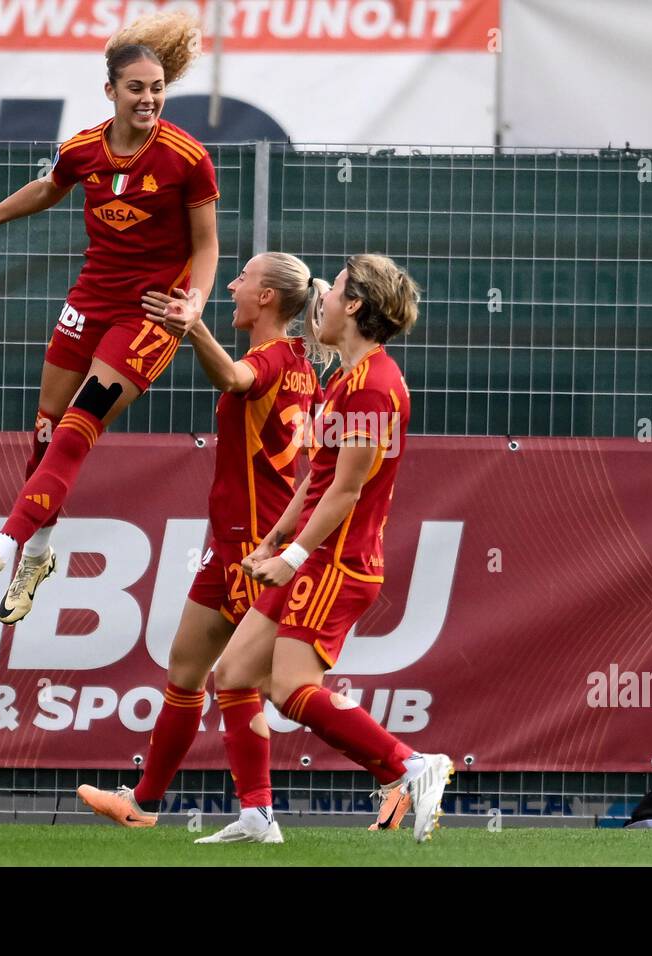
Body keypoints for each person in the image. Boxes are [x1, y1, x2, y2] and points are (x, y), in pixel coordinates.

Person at [0, 12, 220, 623]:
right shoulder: (82, 148)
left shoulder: (185, 158)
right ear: (111, 91)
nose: (149, 98)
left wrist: (195, 301)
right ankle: (39, 551)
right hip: (89, 301)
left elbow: (207, 245)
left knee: (74, 430)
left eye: (157, 88)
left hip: (148, 316)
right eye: (137, 88)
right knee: (44, 431)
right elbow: (49, 187)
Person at [195, 254, 453, 845]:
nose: (324, 297)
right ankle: (258, 817)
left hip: (337, 562)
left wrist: (291, 555)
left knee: (288, 690)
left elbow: (346, 490)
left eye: (334, 289)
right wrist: (276, 539)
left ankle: (412, 766)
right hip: (311, 553)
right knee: (232, 675)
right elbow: (315, 479)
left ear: (356, 306)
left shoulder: (374, 385)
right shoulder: (345, 377)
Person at [74, 253, 329, 827]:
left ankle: (389, 771)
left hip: (252, 545)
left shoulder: (267, 360)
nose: (233, 285)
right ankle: (144, 803)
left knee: (258, 684)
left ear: (267, 298)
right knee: (187, 671)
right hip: (232, 541)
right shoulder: (300, 366)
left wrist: (193, 328)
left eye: (243, 278)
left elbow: (236, 379)